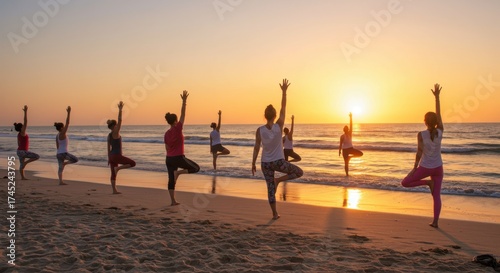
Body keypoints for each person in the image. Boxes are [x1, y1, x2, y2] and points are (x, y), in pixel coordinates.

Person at [252, 79, 304, 220]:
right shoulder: (279, 126)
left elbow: (257, 148)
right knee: (299, 172)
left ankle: (274, 214)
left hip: (265, 164)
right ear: (274, 116)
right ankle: (279, 180)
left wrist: (253, 163)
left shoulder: (259, 130)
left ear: (265, 115)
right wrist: (284, 92)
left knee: (270, 188)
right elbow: (283, 108)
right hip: (278, 162)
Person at [401, 84, 444, 228]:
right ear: (436, 122)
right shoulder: (440, 131)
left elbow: (419, 152)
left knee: (405, 182)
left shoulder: (421, 134)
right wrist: (437, 98)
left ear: (425, 121)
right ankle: (435, 222)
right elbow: (439, 115)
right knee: (436, 196)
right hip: (438, 168)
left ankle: (427, 183)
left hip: (425, 168)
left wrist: (414, 168)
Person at [165, 90, 200, 206]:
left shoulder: (166, 133)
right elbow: (183, 114)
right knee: (196, 168)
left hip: (169, 159)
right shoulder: (178, 128)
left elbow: (167, 148)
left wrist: (171, 156)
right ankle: (179, 173)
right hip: (178, 157)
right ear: (175, 121)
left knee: (171, 179)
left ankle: (172, 201)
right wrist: (184, 101)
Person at [107, 101, 136, 194]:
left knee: (113, 174)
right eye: (116, 125)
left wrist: (109, 158)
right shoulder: (116, 132)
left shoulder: (109, 135)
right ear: (114, 126)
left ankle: (114, 190)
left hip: (111, 156)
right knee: (132, 163)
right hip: (116, 156)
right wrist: (120, 110)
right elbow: (120, 120)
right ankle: (118, 169)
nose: (117, 126)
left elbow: (108, 148)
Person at [54, 106, 79, 185]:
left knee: (60, 168)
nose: (65, 127)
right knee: (75, 159)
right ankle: (65, 163)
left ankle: (60, 181)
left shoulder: (57, 135)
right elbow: (68, 123)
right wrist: (68, 112)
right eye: (63, 127)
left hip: (58, 153)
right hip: (64, 153)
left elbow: (57, 146)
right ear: (62, 128)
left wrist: (59, 153)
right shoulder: (62, 133)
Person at [14, 105, 40, 180]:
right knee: (37, 156)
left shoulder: (19, 134)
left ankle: (23, 177)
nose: (24, 126)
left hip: (19, 151)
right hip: (23, 151)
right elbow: (26, 121)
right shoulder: (23, 132)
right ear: (21, 128)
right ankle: (25, 163)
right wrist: (25, 112)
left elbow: (18, 144)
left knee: (21, 164)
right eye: (23, 126)